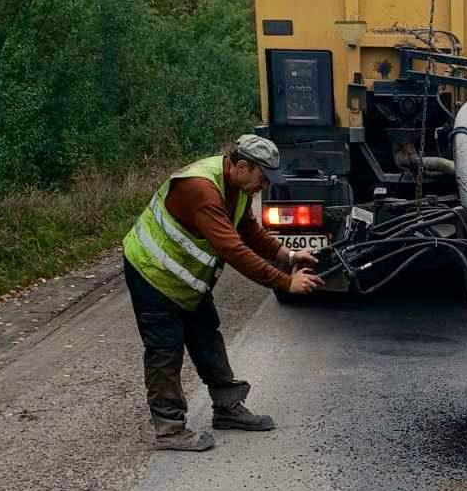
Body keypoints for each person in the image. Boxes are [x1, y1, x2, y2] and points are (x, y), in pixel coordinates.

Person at [122, 134, 324, 451]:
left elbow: (249, 231)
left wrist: (288, 255)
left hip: (186, 279)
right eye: (263, 179)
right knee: (165, 349)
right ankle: (170, 430)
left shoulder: (236, 187)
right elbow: (234, 250)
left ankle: (227, 408)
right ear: (242, 167)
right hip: (151, 272)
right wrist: (285, 283)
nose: (265, 187)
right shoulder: (201, 189)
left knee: (206, 335)